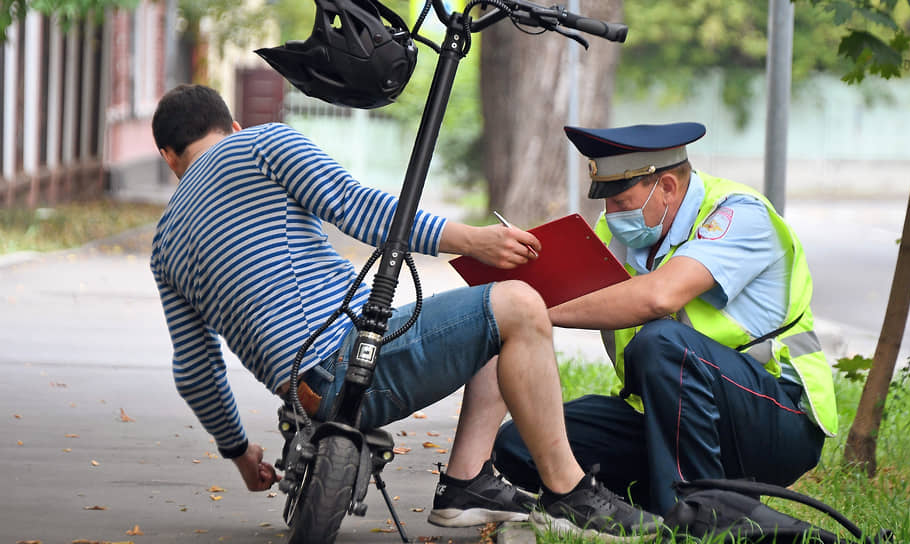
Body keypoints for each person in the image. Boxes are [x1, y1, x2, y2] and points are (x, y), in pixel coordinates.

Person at [149, 84, 660, 539]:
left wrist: (240, 456)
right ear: (232, 126)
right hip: (351, 360)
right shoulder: (261, 144)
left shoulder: (165, 244)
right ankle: (569, 491)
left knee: (494, 322)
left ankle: (468, 486)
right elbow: (356, 207)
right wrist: (473, 241)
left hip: (304, 399)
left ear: (169, 156)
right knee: (521, 303)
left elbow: (196, 372)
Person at [493, 122, 838, 516]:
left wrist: (531, 309)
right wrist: (510, 287)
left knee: (662, 341)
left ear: (668, 187)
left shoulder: (738, 214)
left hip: (774, 419)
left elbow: (660, 296)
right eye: (607, 203)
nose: (611, 213)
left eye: (622, 201)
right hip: (673, 422)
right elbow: (570, 294)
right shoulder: (618, 234)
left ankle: (699, 516)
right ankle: (645, 507)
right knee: (521, 444)